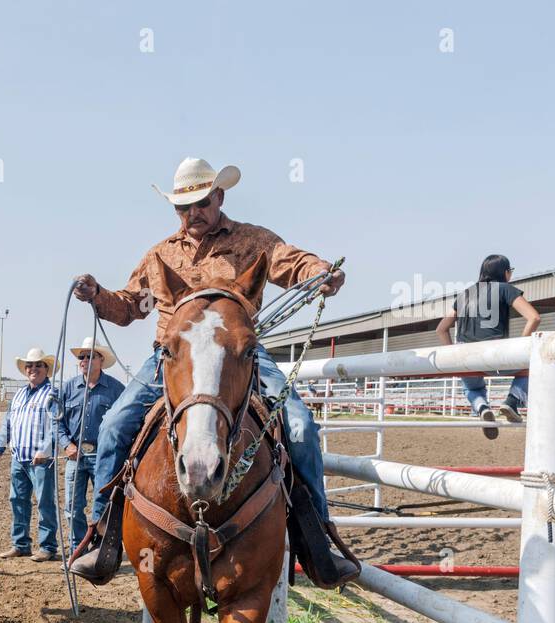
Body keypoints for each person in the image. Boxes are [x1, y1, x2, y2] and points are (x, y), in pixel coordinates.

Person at [67, 157, 357, 587]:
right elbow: (130, 307)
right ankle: (102, 535)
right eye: (183, 208)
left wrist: (318, 272)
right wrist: (97, 296)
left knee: (299, 426)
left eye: (201, 203)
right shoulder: (161, 254)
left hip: (237, 356)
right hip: (172, 359)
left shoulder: (252, 241)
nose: (192, 214)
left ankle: (316, 539)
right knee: (113, 425)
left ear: (219, 197)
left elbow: (290, 262)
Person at [435, 254, 542, 438]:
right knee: (536, 365)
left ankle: (482, 407)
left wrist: (452, 355)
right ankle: (512, 400)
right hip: (494, 354)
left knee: (473, 388)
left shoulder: (464, 295)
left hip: (465, 356)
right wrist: (521, 347)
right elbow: (534, 317)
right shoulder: (505, 288)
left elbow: (441, 329)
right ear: (506, 272)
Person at [56, 337, 125, 546]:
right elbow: (56, 422)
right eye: (81, 357)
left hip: (104, 457)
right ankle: (78, 547)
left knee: (104, 504)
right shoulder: (67, 388)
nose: (84, 360)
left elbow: (126, 423)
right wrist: (67, 444)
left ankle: (100, 546)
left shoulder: (116, 389)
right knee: (72, 506)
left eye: (89, 356)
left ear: (101, 360)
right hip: (74, 455)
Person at [0, 348, 59, 561]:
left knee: (44, 502)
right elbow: (8, 423)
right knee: (17, 500)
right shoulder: (19, 394)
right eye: (30, 365)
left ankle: (48, 547)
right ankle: (20, 544)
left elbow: (57, 425)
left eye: (38, 365)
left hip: (41, 460)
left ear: (46, 369)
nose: (33, 369)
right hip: (19, 457)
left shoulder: (52, 393)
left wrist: (46, 451)